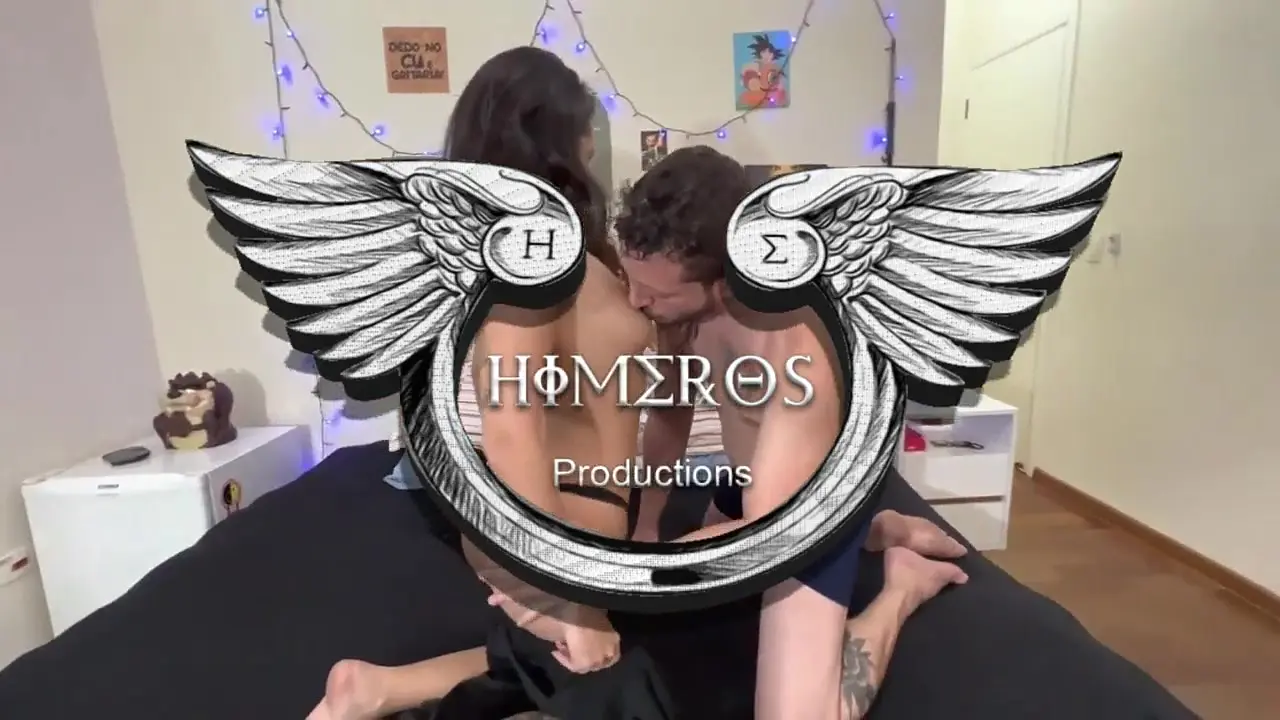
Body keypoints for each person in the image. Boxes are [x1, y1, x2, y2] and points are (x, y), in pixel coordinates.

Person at [307, 45, 654, 720]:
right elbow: (511, 424)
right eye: (584, 127)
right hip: (555, 514)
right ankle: (377, 690)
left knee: (615, 651)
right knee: (626, 666)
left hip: (581, 512)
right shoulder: (527, 255)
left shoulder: (557, 246)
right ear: (554, 136)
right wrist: (566, 598)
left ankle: (376, 689)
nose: (592, 143)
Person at [616, 146, 971, 720]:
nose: (637, 302)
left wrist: (659, 568)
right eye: (632, 281)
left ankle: (905, 584)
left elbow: (770, 533)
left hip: (808, 514)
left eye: (655, 293)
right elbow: (671, 411)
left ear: (724, 281)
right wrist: (647, 528)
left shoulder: (796, 345)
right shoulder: (678, 315)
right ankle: (883, 529)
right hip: (748, 482)